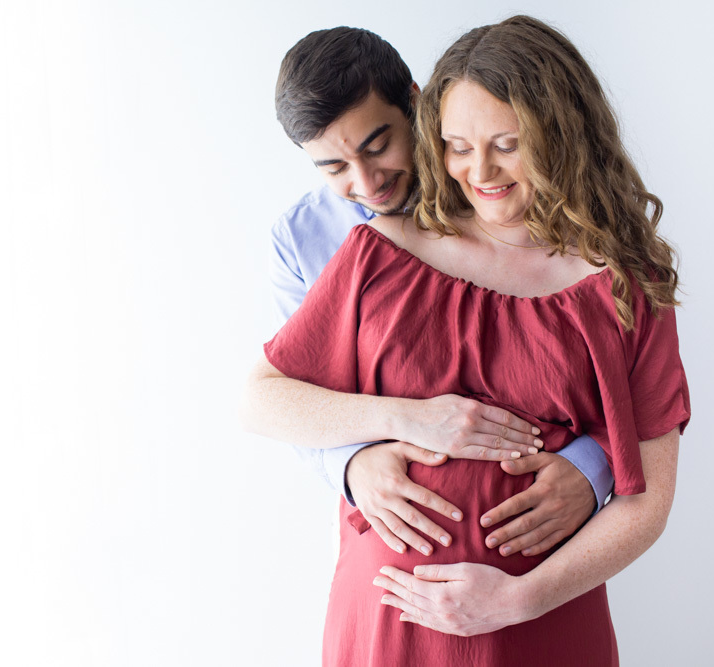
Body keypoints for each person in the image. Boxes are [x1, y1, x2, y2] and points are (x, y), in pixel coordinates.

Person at [242, 15, 689, 666]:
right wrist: (370, 448)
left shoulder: (626, 284)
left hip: (544, 621)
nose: (478, 170)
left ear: (557, 134)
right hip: (392, 618)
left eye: (506, 143)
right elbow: (267, 398)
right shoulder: (373, 249)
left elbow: (649, 491)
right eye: (457, 145)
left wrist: (519, 598)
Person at [264, 26, 613, 563]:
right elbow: (284, 397)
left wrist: (594, 469)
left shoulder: (495, 186)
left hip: (548, 559)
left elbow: (617, 374)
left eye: (377, 146)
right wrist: (355, 461)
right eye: (334, 167)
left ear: (415, 103)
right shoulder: (304, 240)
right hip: (392, 563)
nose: (367, 180)